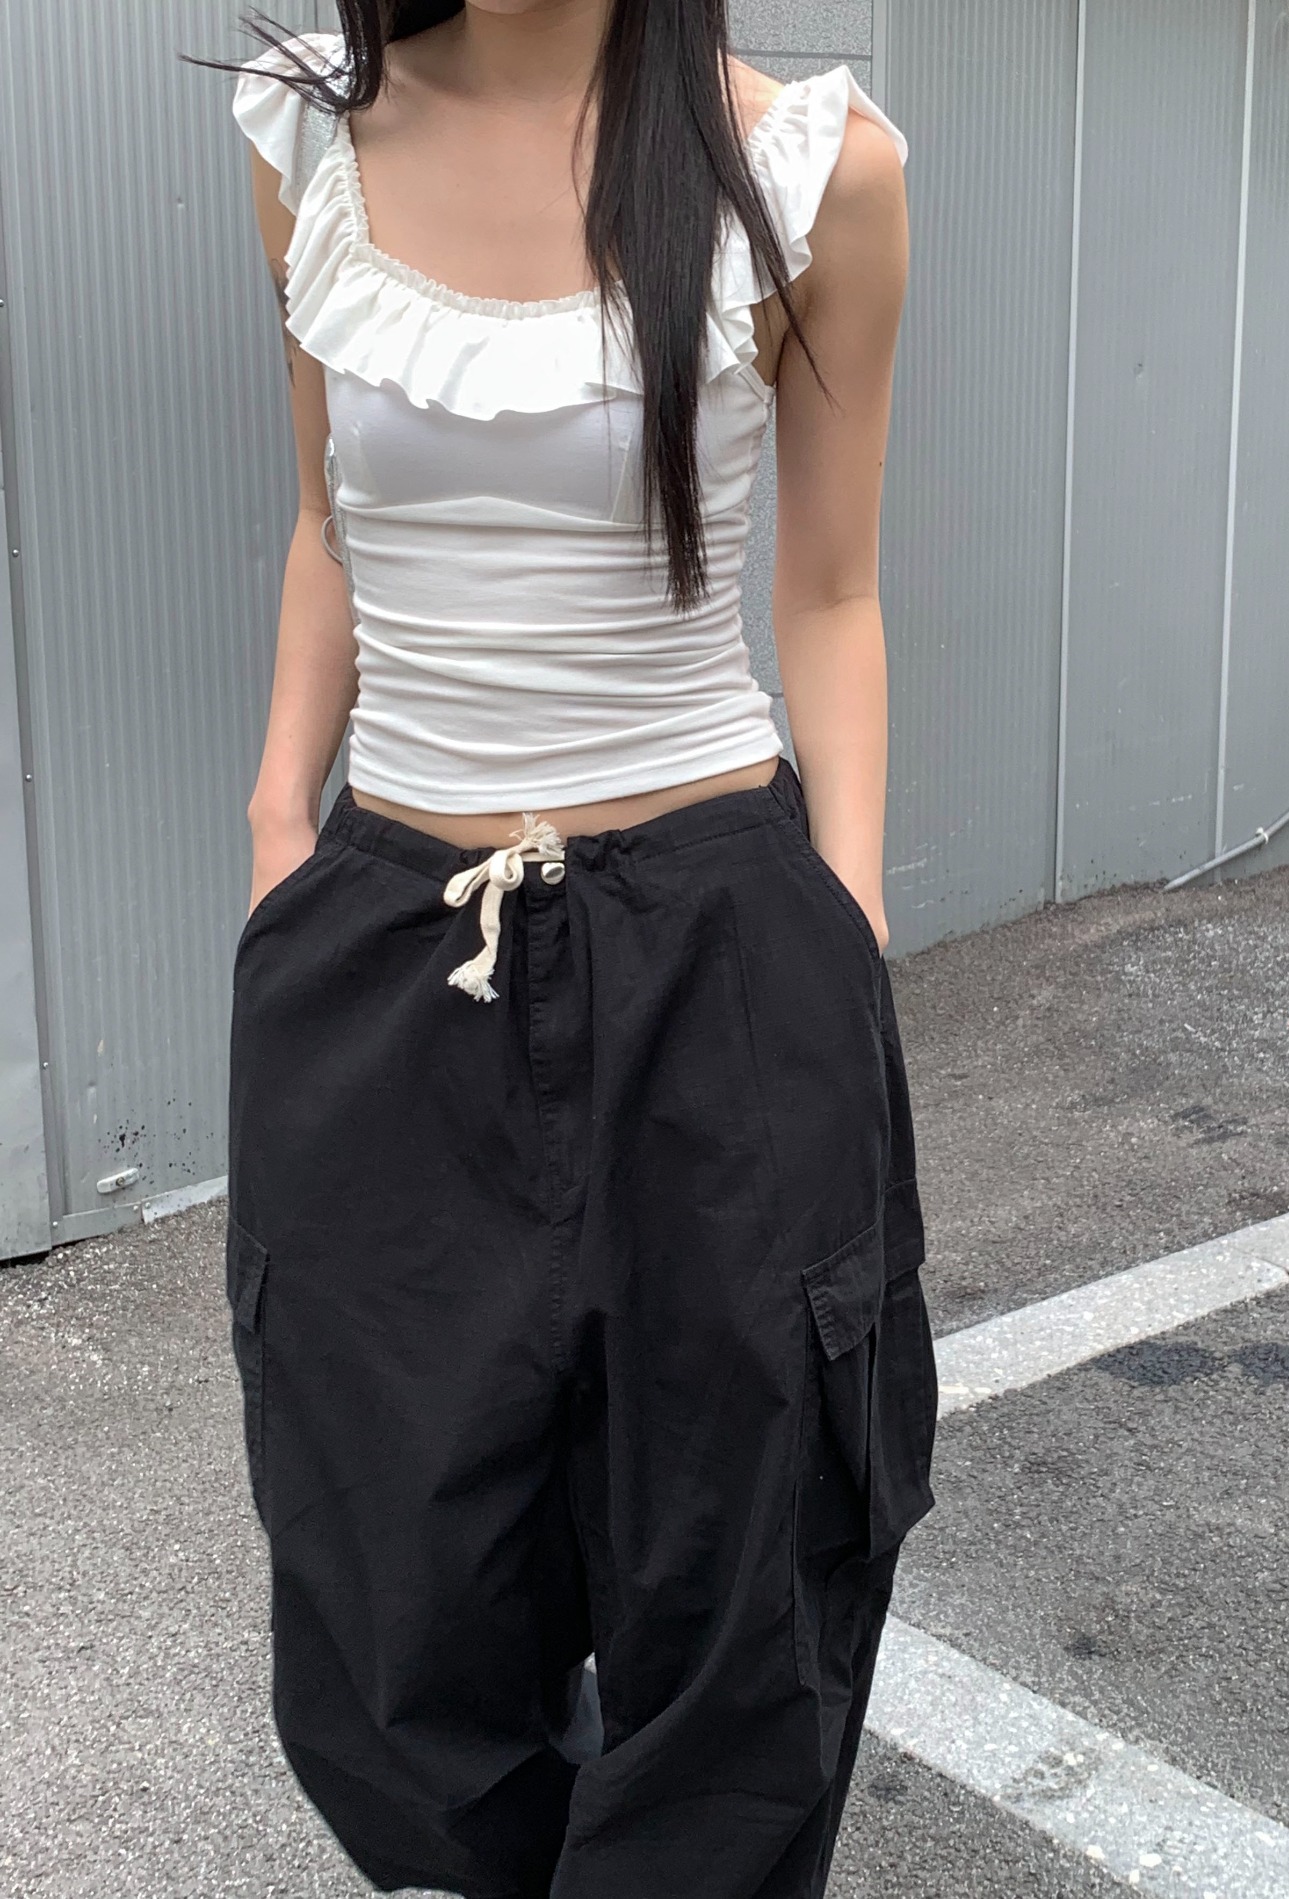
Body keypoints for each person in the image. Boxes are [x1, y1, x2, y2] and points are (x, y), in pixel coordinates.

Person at [212, 2, 935, 1892]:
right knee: (393, 1554)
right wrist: (281, 825)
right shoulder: (310, 132)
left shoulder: (811, 172)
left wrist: (843, 918)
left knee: (744, 1550)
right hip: (391, 944)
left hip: (713, 946)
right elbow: (330, 519)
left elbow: (832, 588)